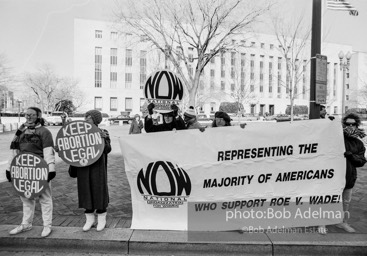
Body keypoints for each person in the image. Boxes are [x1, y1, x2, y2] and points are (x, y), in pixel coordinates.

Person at [5, 107, 56, 237]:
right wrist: (9, 168)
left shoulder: (45, 132)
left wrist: (51, 169)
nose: (28, 117)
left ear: (38, 116)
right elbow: (14, 150)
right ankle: (26, 223)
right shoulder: (20, 131)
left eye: (32, 115)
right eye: (27, 114)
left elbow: (48, 151)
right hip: (23, 169)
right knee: (26, 198)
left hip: (40, 168)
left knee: (45, 198)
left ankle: (47, 225)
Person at [67, 110, 112, 232]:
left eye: (89, 117)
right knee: (85, 191)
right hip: (83, 167)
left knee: (99, 190)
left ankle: (102, 218)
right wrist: (62, 150)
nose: (86, 119)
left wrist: (104, 139)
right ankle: (89, 219)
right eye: (85, 116)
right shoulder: (79, 133)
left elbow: (107, 149)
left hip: (98, 167)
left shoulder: (103, 132)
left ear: (96, 120)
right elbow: (71, 147)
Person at [337, 113, 366, 232]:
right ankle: (322, 223)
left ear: (357, 125)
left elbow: (361, 161)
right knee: (329, 200)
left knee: (346, 202)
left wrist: (352, 156)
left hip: (349, 177)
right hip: (334, 177)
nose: (350, 126)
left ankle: (342, 222)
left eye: (353, 124)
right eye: (347, 124)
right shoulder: (336, 138)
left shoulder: (358, 143)